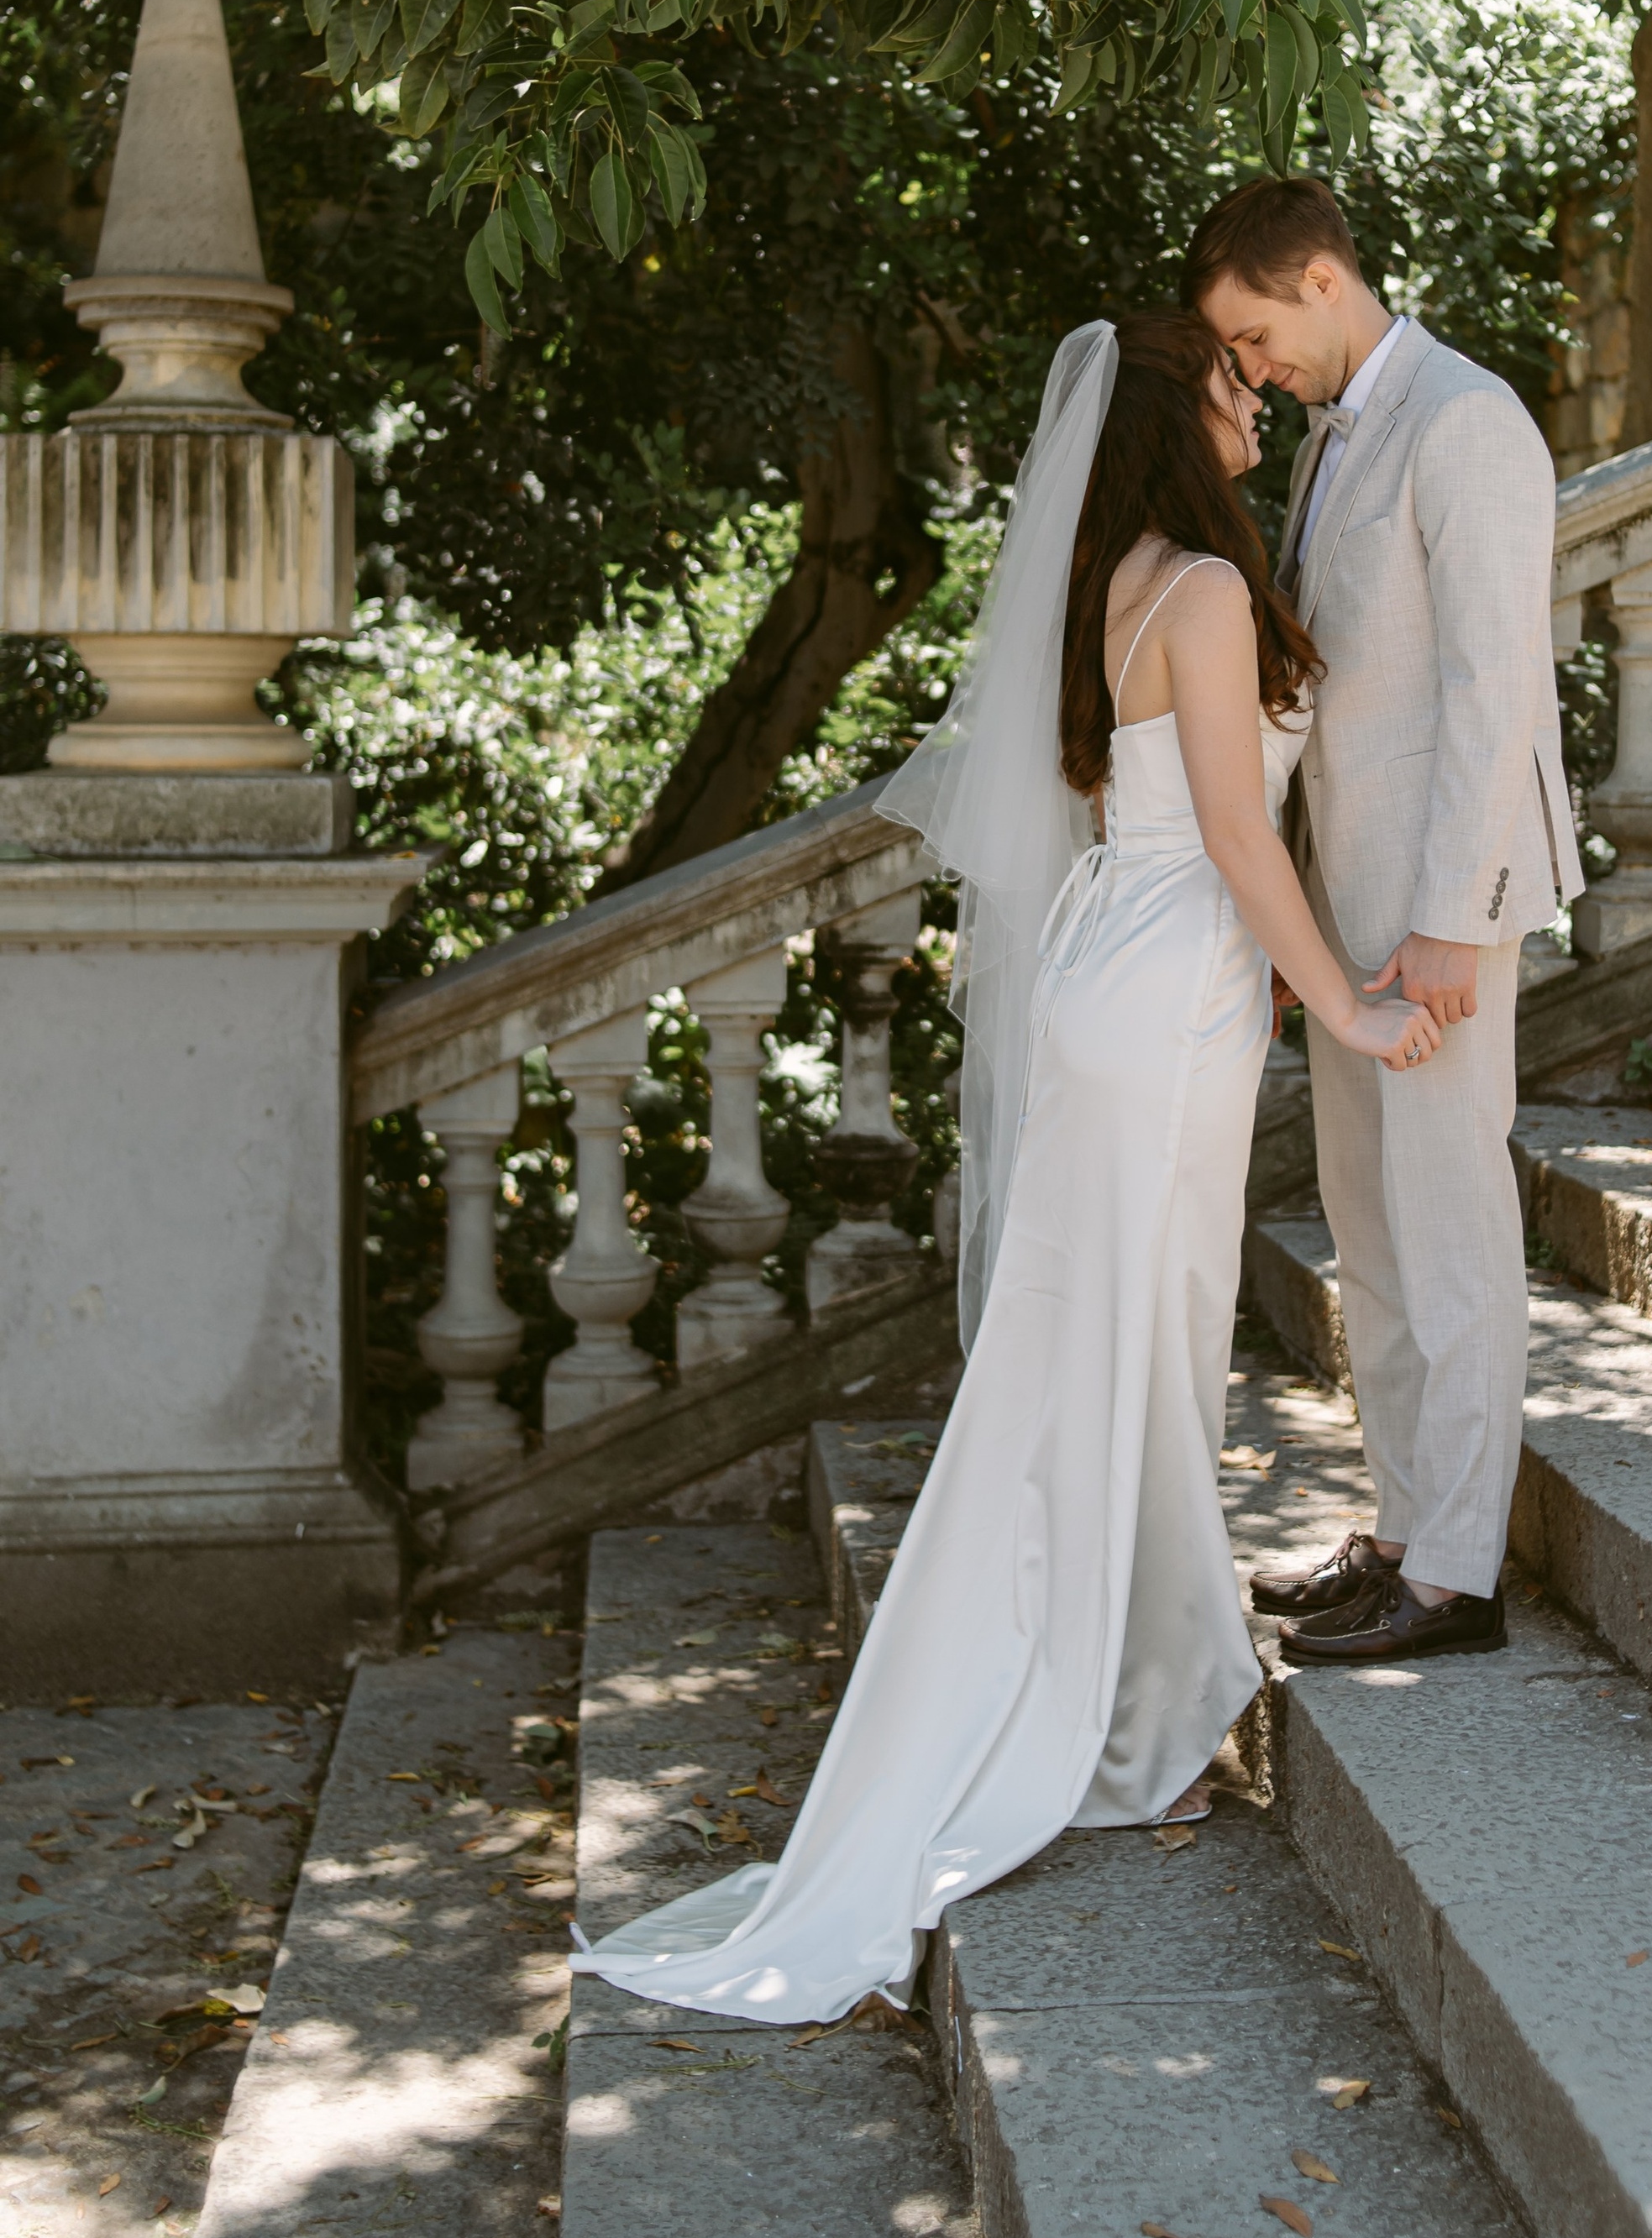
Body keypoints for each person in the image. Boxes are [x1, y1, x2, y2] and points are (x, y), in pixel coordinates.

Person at [568, 312, 1437, 2025]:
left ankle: (1137, 1686)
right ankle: (1132, 1706)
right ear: (1172, 415)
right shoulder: (1200, 589)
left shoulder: (1120, 583)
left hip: (1126, 970)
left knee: (1106, 1349)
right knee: (1137, 1346)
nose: (1255, 397)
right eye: (1230, 379)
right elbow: (1237, 832)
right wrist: (1340, 996)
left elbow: (1155, 820)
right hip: (1169, 984)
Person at [1186, 178, 1584, 1666]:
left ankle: (1461, 1576)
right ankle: (1408, 1529)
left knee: (1449, 1224)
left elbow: (1495, 688)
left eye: (1254, 333)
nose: (1253, 367)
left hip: (1436, 912)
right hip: (1347, 911)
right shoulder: (1331, 438)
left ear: (1319, 277)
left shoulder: (1467, 419)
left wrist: (1451, 919)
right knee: (1371, 1225)